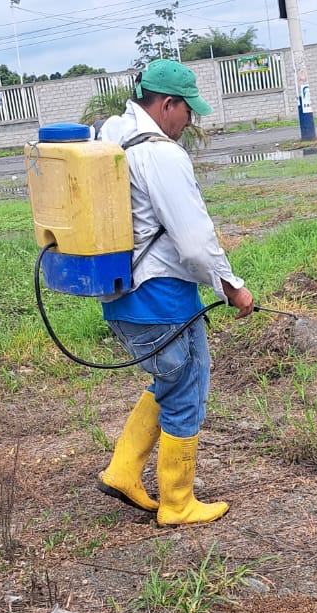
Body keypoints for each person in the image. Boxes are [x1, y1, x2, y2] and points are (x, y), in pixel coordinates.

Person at [96, 58, 254, 527]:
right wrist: (232, 287)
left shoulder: (113, 133)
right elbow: (195, 244)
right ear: (167, 104)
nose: (190, 122)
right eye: (188, 111)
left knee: (173, 379)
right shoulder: (162, 155)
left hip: (123, 295)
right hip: (159, 297)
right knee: (186, 390)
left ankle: (123, 471)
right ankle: (178, 503)